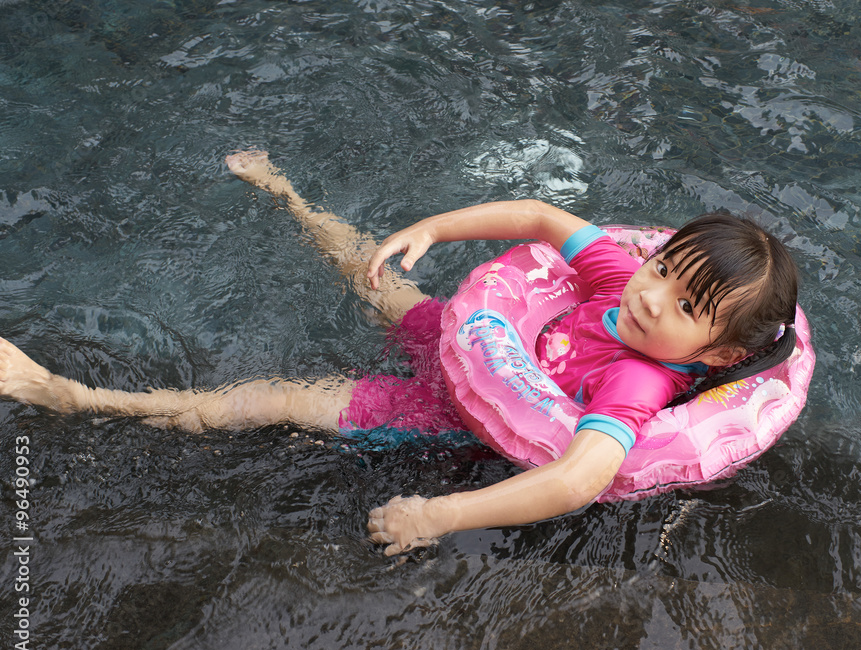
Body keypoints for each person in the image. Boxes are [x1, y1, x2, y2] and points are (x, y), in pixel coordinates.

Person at [0, 150, 799, 556]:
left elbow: (579, 477)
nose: (651, 295)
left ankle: (68, 393)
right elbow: (542, 216)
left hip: (445, 415)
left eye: (686, 305)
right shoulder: (622, 277)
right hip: (468, 342)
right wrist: (434, 229)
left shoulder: (634, 379)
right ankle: (289, 194)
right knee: (375, 270)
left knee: (273, 399)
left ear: (721, 351)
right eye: (664, 268)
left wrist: (439, 515)